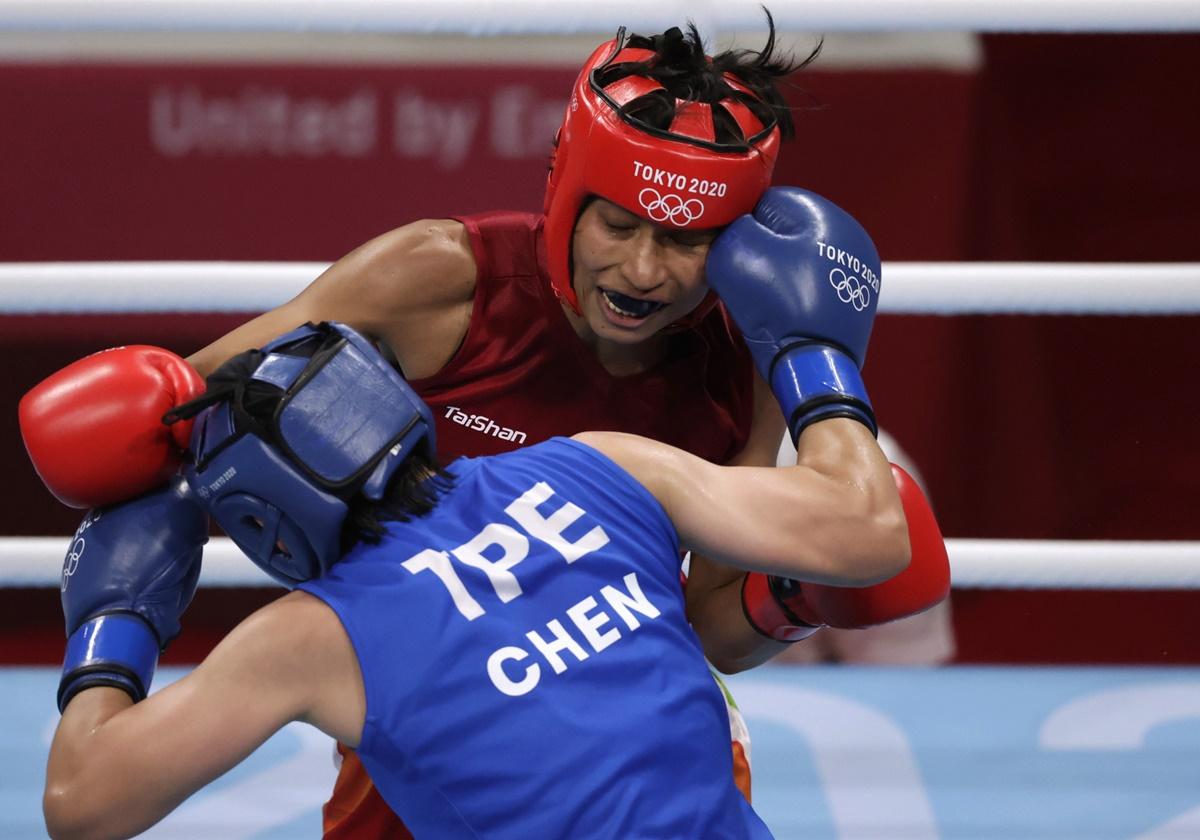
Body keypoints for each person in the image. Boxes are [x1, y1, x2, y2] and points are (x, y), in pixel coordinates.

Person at [22, 16, 946, 838]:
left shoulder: (727, 362)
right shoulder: (443, 283)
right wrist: (134, 426)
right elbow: (207, 406)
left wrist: (782, 601)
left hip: (615, 687)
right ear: (566, 188)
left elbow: (711, 630)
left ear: (736, 243)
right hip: (409, 682)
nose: (646, 270)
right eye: (618, 226)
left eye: (686, 241)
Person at [43, 318, 945, 840]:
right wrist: (810, 352)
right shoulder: (601, 465)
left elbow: (83, 806)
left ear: (264, 530)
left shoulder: (309, 638)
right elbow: (873, 529)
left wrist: (114, 620)